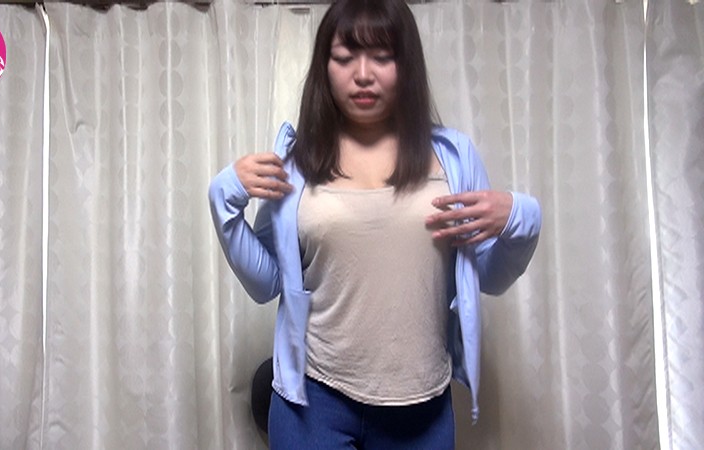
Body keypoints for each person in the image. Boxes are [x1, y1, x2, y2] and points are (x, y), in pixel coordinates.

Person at [208, 0, 541, 448]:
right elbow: (267, 282)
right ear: (324, 67)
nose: (362, 74)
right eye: (345, 57)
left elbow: (491, 277)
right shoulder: (295, 164)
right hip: (312, 404)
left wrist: (521, 219)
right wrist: (224, 202)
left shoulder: (454, 158)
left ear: (406, 65)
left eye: (381, 56)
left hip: (421, 409)